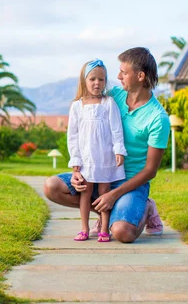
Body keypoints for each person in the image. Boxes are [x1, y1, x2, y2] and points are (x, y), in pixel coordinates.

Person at [44, 47, 170, 243]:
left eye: (124, 72)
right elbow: (84, 121)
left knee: (122, 233)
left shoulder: (158, 118)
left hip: (129, 184)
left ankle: (146, 208)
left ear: (140, 75)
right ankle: (108, 218)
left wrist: (114, 194)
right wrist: (77, 172)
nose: (118, 76)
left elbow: (150, 170)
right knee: (52, 186)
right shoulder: (113, 96)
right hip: (97, 171)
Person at [68, 59, 127, 242]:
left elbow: (117, 129)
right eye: (92, 79)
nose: (97, 83)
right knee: (85, 192)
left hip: (105, 156)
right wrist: (75, 161)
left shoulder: (108, 103)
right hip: (86, 158)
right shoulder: (77, 106)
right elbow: (73, 136)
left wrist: (119, 150)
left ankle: (104, 228)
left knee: (104, 191)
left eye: (101, 80)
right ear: (84, 80)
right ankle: (84, 228)